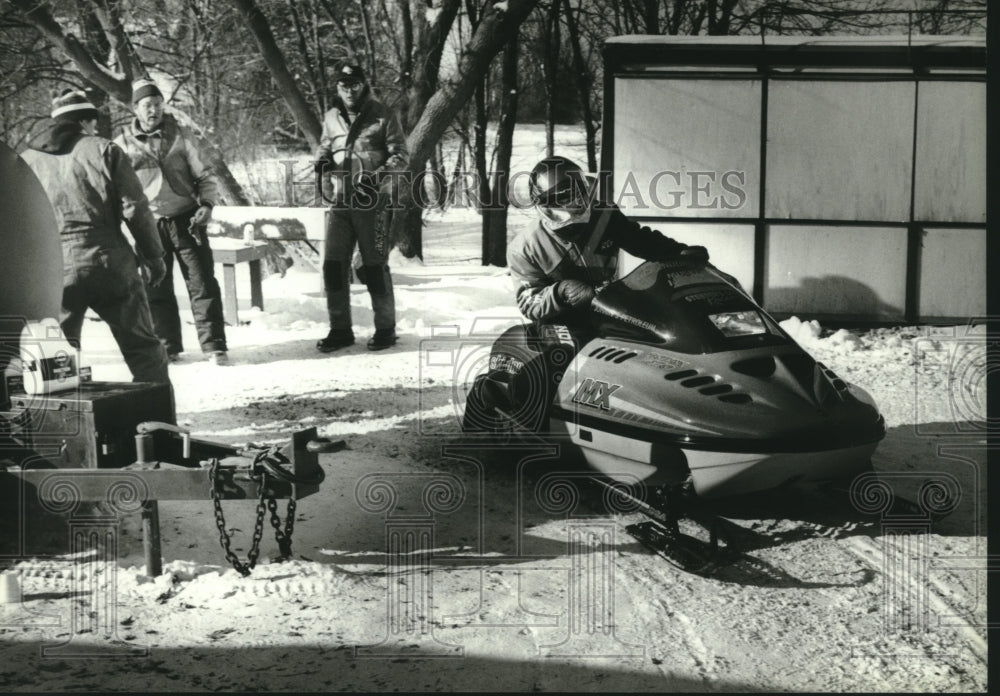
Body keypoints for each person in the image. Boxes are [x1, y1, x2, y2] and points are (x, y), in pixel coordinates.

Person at [20, 89, 170, 384]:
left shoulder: (26, 159)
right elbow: (134, 208)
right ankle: (161, 424)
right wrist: (154, 256)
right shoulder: (105, 149)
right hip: (108, 261)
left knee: (58, 359)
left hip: (54, 270)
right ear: (85, 122)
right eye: (93, 124)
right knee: (142, 347)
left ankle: (69, 426)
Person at [508, 155, 710, 327]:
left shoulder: (603, 216)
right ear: (547, 204)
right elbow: (529, 301)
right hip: (563, 322)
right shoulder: (525, 248)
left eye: (582, 194)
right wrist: (561, 292)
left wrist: (677, 252)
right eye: (568, 198)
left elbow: (640, 239)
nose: (579, 203)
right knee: (569, 361)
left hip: (610, 308)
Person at [114, 78, 228, 365]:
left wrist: (207, 204)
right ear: (135, 108)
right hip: (147, 225)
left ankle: (214, 346)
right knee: (156, 286)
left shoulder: (182, 135)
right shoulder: (121, 144)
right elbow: (115, 189)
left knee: (202, 282)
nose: (153, 110)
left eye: (157, 104)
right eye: (147, 105)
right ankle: (168, 347)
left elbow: (206, 175)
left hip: (187, 219)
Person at [314, 63, 409, 352]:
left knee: (375, 268)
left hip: (373, 203)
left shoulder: (382, 115)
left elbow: (401, 156)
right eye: (344, 84)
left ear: (363, 85)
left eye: (354, 84)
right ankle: (340, 330)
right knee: (333, 266)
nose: (349, 90)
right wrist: (322, 163)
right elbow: (326, 147)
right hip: (342, 203)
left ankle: (386, 329)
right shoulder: (331, 117)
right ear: (337, 87)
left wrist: (377, 177)